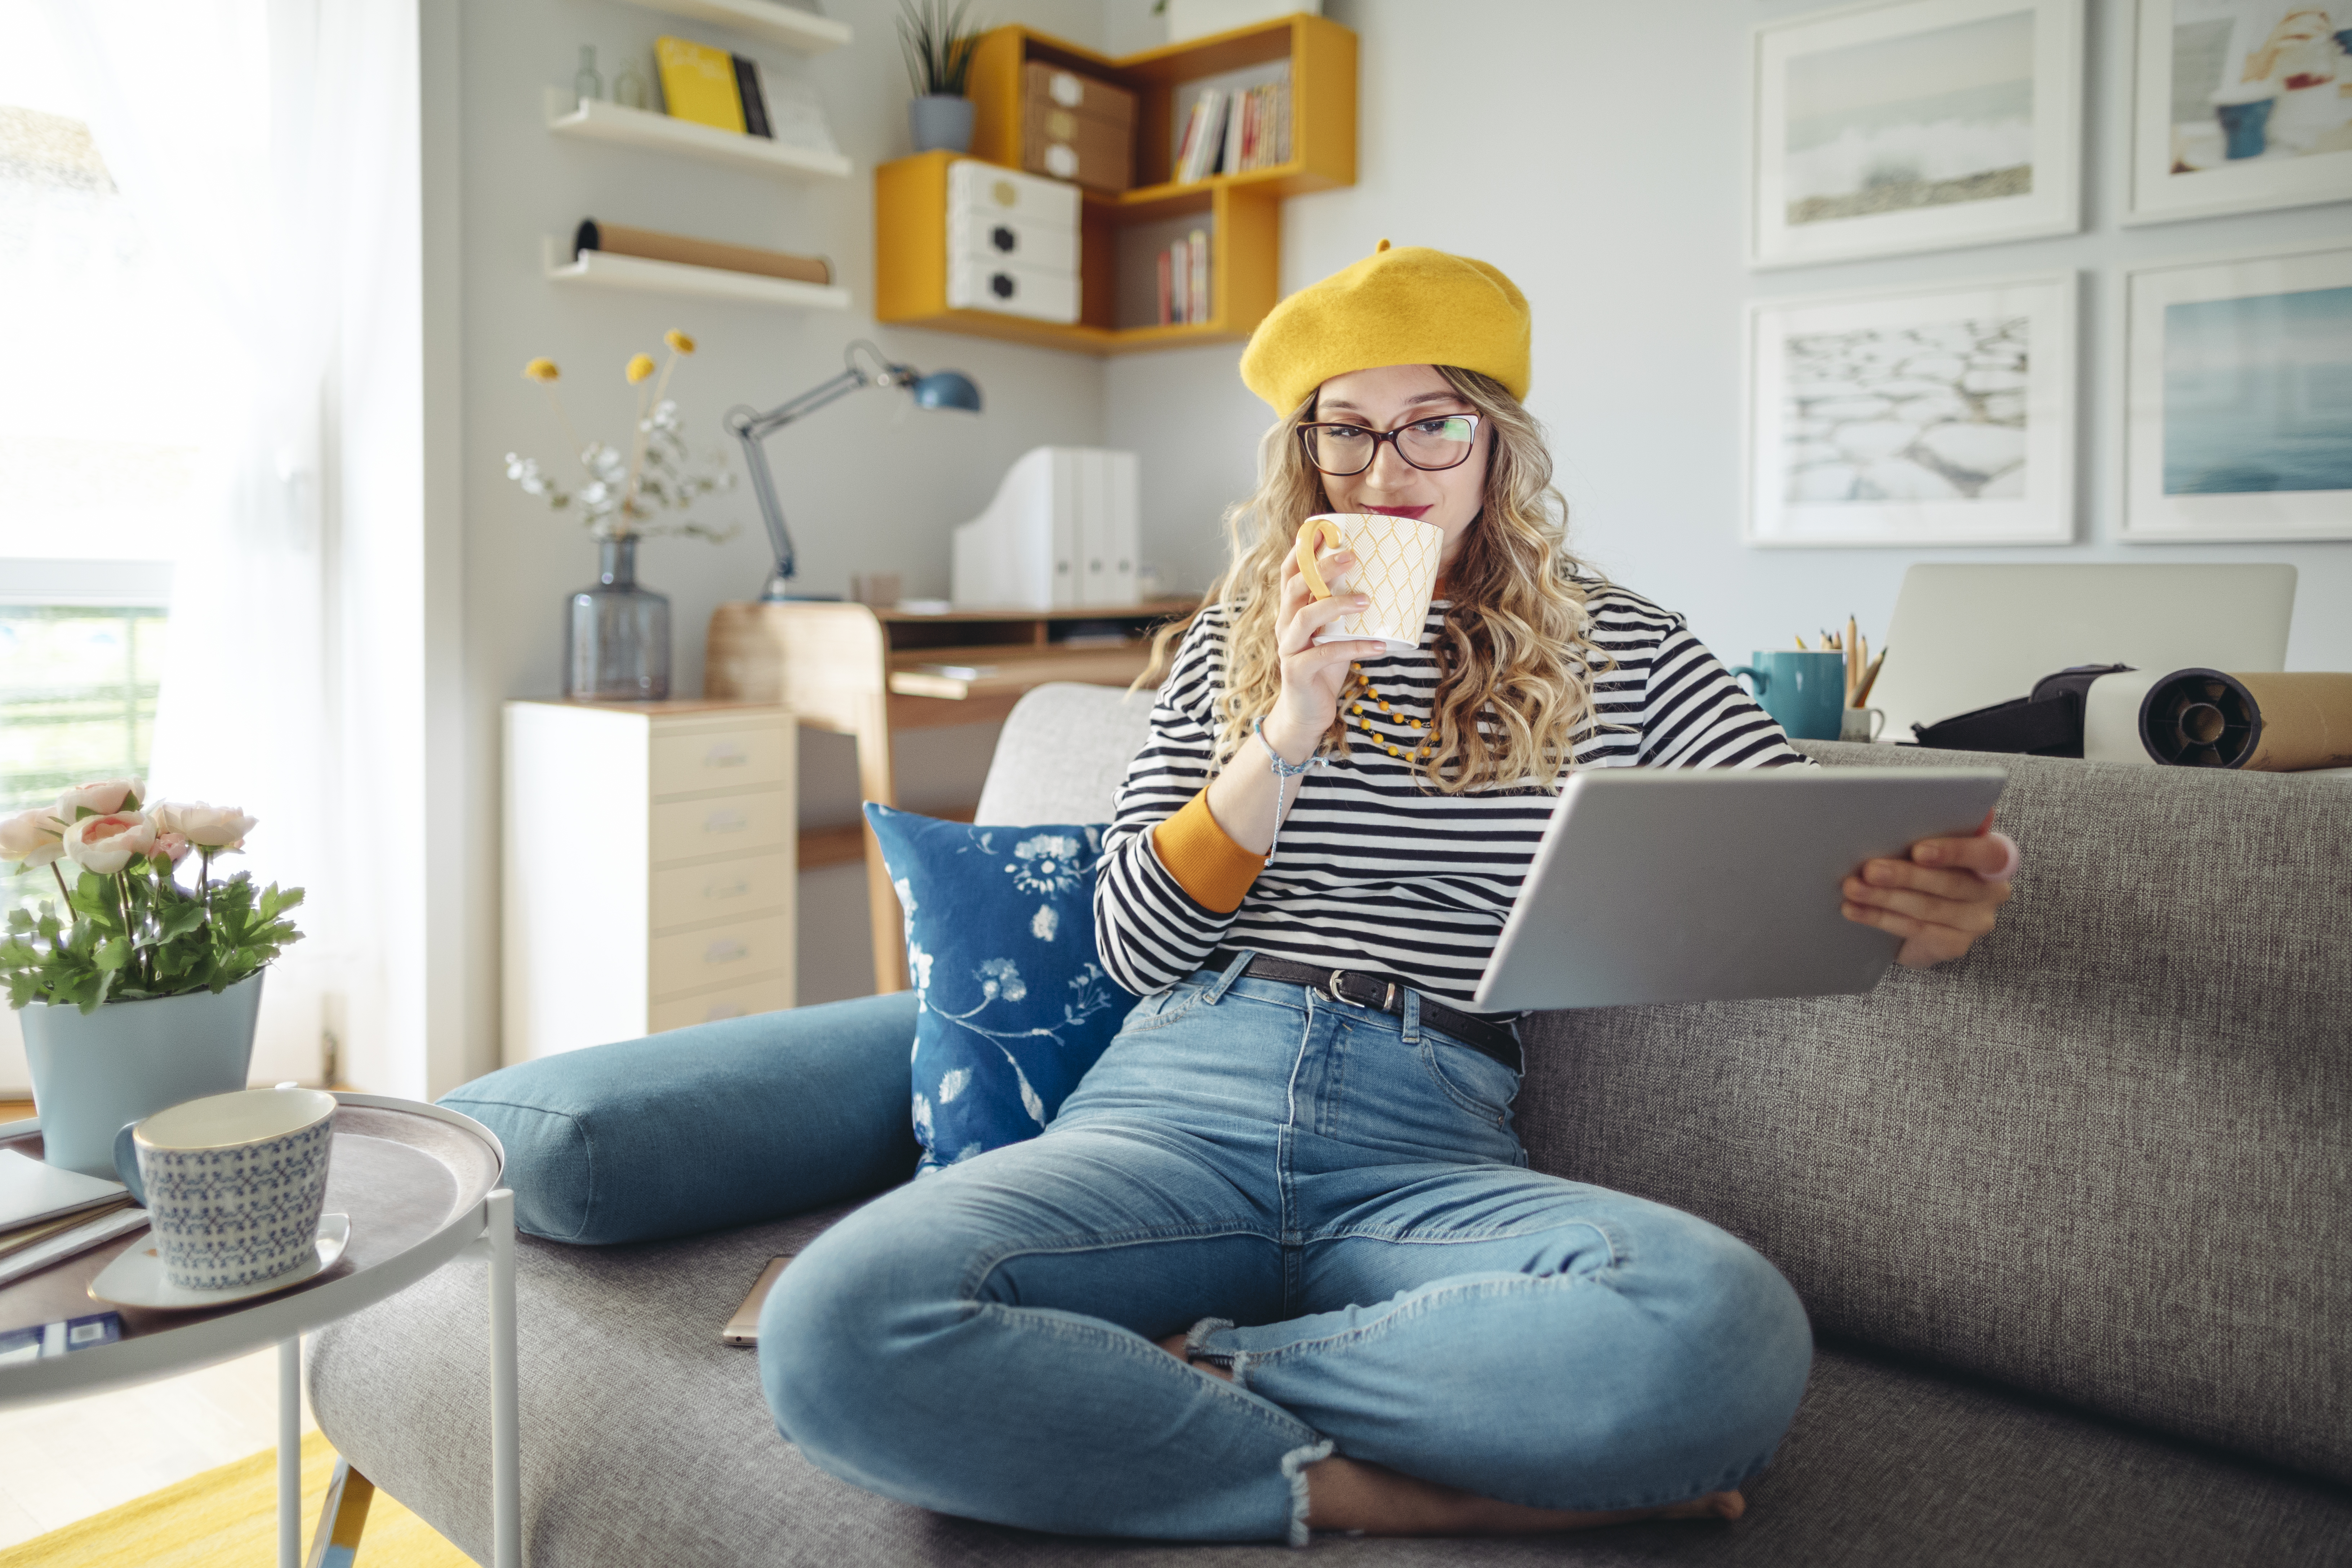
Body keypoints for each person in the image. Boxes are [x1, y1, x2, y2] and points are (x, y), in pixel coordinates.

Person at [761, 243, 2016, 1546]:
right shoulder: (1232, 641)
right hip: (1176, 1104)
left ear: (1496, 445)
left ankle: (1193, 1368)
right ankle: (1347, 1485)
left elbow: (1799, 841)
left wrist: (1935, 893)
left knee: (1720, 1333)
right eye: (1346, 434)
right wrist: (1291, 722)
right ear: (1305, 455)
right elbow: (1135, 944)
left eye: (1431, 427)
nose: (1385, 473)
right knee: (835, 1325)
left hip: (1431, 1140)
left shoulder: (1624, 643)